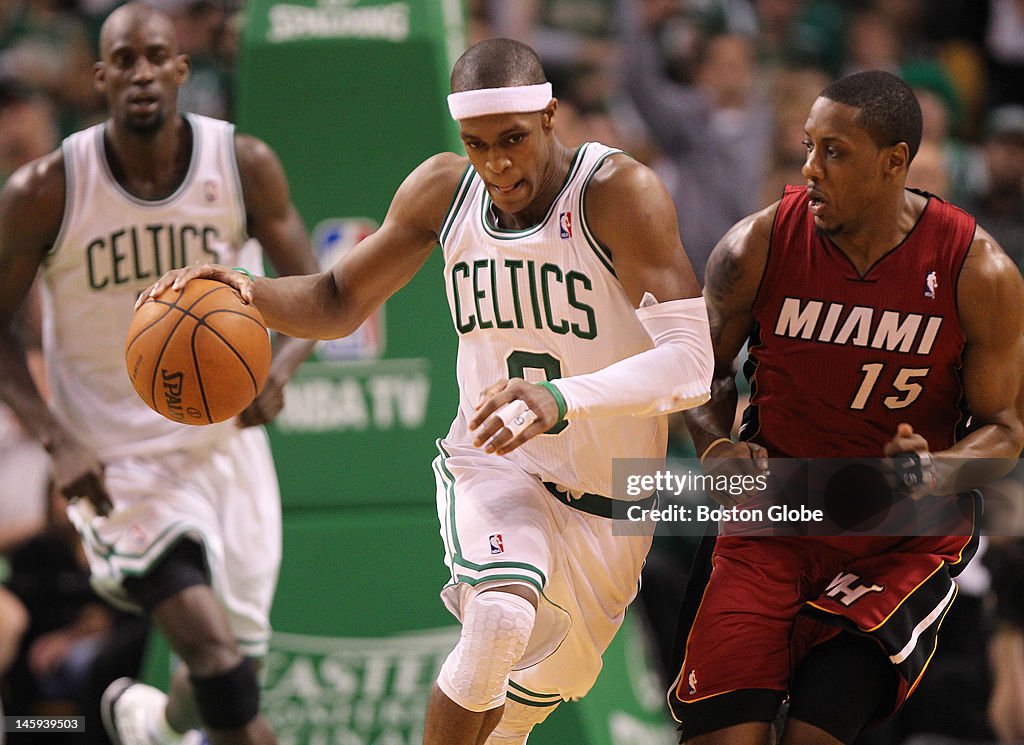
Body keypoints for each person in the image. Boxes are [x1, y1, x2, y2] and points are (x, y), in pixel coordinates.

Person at [137, 36, 714, 745]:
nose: (497, 163)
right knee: (499, 615)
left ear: (550, 116)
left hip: (611, 504)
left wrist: (562, 397)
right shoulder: (445, 190)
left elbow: (691, 364)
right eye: (478, 143)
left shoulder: (620, 193)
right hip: (497, 463)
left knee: (516, 716)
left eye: (513, 139)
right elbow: (339, 296)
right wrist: (246, 293)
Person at [669, 70, 1024, 745]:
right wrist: (715, 444)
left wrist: (939, 470)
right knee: (724, 736)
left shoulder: (978, 271)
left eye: (834, 151)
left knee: (814, 732)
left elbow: (1006, 429)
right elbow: (702, 372)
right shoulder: (758, 245)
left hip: (898, 535)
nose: (810, 168)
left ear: (895, 162)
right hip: (776, 518)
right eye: (808, 147)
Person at [0, 4, 320, 745]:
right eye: (126, 60)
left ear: (182, 69)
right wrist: (56, 438)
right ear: (100, 76)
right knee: (224, 672)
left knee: (229, 664)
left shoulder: (242, 165)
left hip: (222, 448)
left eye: (157, 57)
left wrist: (281, 364)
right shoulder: (46, 189)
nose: (142, 73)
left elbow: (316, 288)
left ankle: (148, 720)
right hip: (117, 463)